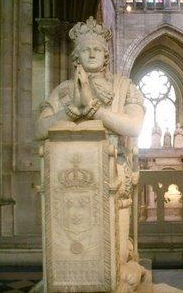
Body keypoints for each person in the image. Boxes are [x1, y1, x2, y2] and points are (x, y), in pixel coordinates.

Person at [35, 17, 146, 291]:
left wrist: (96, 110)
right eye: (86, 49)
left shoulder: (123, 87)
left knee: (114, 251)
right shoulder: (63, 91)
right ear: (77, 56)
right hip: (70, 183)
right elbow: (40, 128)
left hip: (113, 177)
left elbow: (133, 126)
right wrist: (70, 112)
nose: (93, 53)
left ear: (106, 55)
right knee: (73, 246)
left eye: (98, 48)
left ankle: (123, 263)